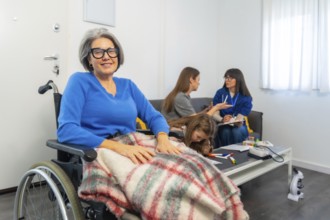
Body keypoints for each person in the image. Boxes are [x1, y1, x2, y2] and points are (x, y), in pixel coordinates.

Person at [57, 28, 181, 164]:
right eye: (98, 52)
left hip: (131, 145)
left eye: (111, 51)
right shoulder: (79, 81)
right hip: (99, 151)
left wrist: (163, 139)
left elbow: (154, 117)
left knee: (186, 162)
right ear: (89, 59)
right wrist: (120, 148)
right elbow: (66, 130)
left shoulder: (128, 86)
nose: (106, 56)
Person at [161, 66, 231, 120]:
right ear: (191, 80)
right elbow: (195, 121)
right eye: (198, 80)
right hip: (172, 129)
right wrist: (216, 108)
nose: (199, 83)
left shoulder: (185, 96)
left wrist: (205, 111)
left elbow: (191, 116)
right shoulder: (180, 97)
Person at [213, 68, 253, 147]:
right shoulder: (220, 93)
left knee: (237, 131)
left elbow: (241, 116)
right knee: (225, 132)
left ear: (238, 80)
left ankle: (239, 154)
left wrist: (237, 121)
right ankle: (227, 154)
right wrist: (222, 119)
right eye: (226, 78)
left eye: (230, 78)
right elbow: (215, 113)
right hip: (223, 124)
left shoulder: (245, 96)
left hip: (239, 124)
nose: (227, 80)